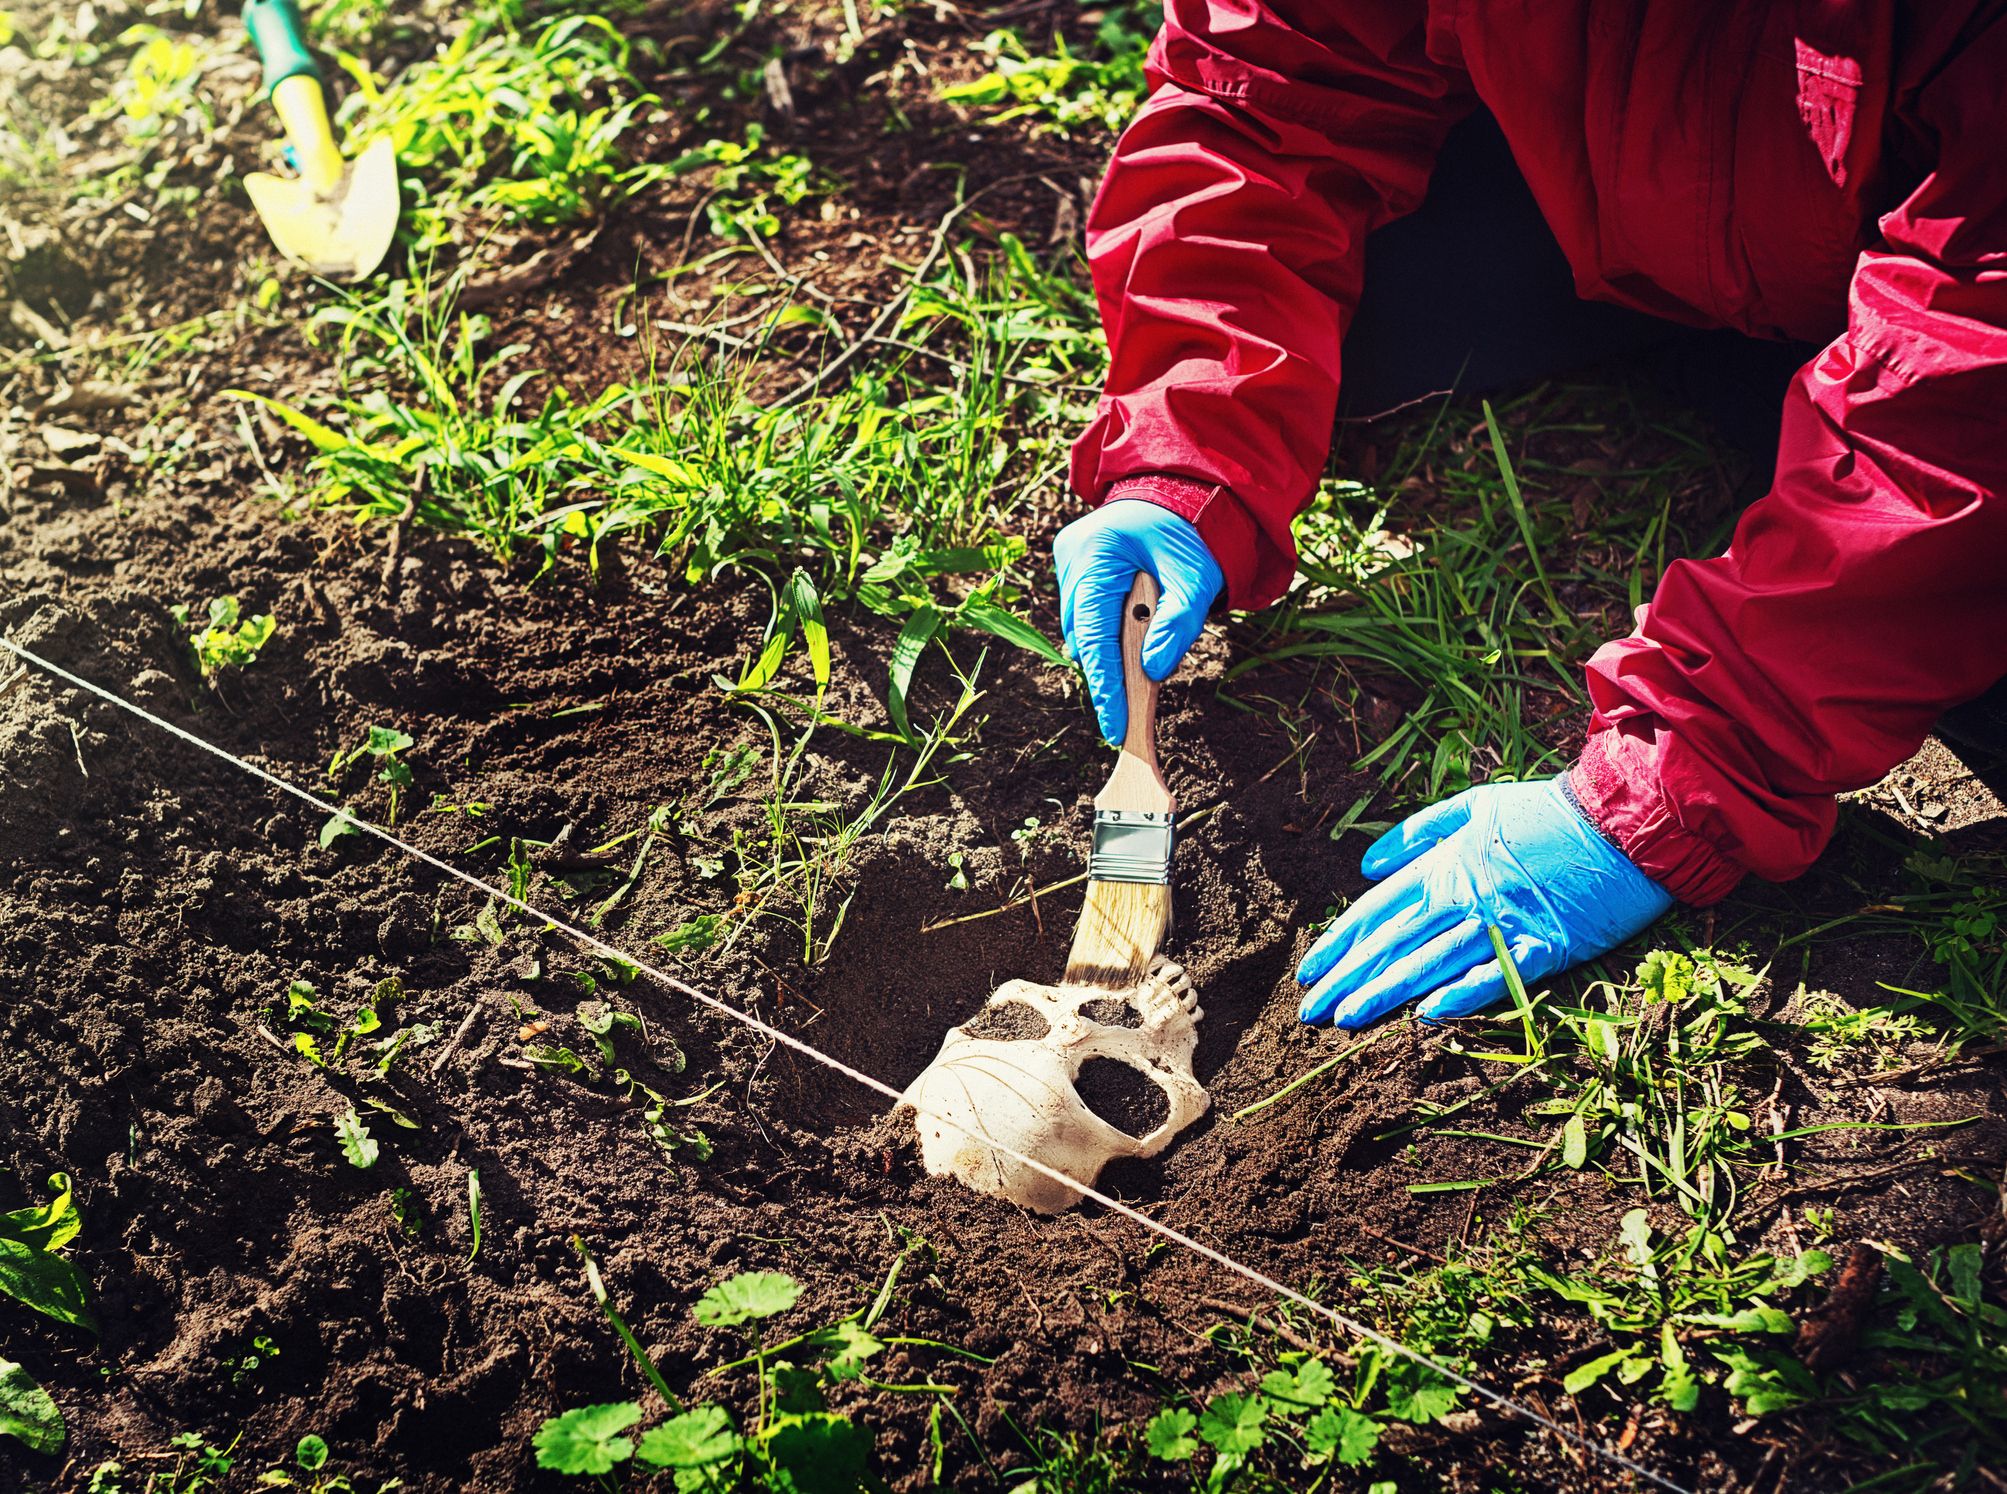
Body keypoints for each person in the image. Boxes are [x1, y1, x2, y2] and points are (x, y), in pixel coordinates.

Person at [1051, 0, 2007, 1030]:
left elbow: (1969, 383)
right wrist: (1182, 461)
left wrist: (1688, 771)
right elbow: (1267, 102)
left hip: (1926, 283)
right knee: (1369, 304)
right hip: (1618, 175)